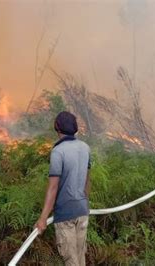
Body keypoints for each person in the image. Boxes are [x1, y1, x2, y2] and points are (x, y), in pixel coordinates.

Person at [35, 111, 91, 266]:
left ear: (57, 127)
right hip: (82, 212)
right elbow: (87, 181)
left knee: (72, 262)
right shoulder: (85, 147)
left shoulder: (58, 151)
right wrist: (84, 204)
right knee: (80, 260)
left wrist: (42, 219)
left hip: (66, 216)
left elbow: (53, 187)